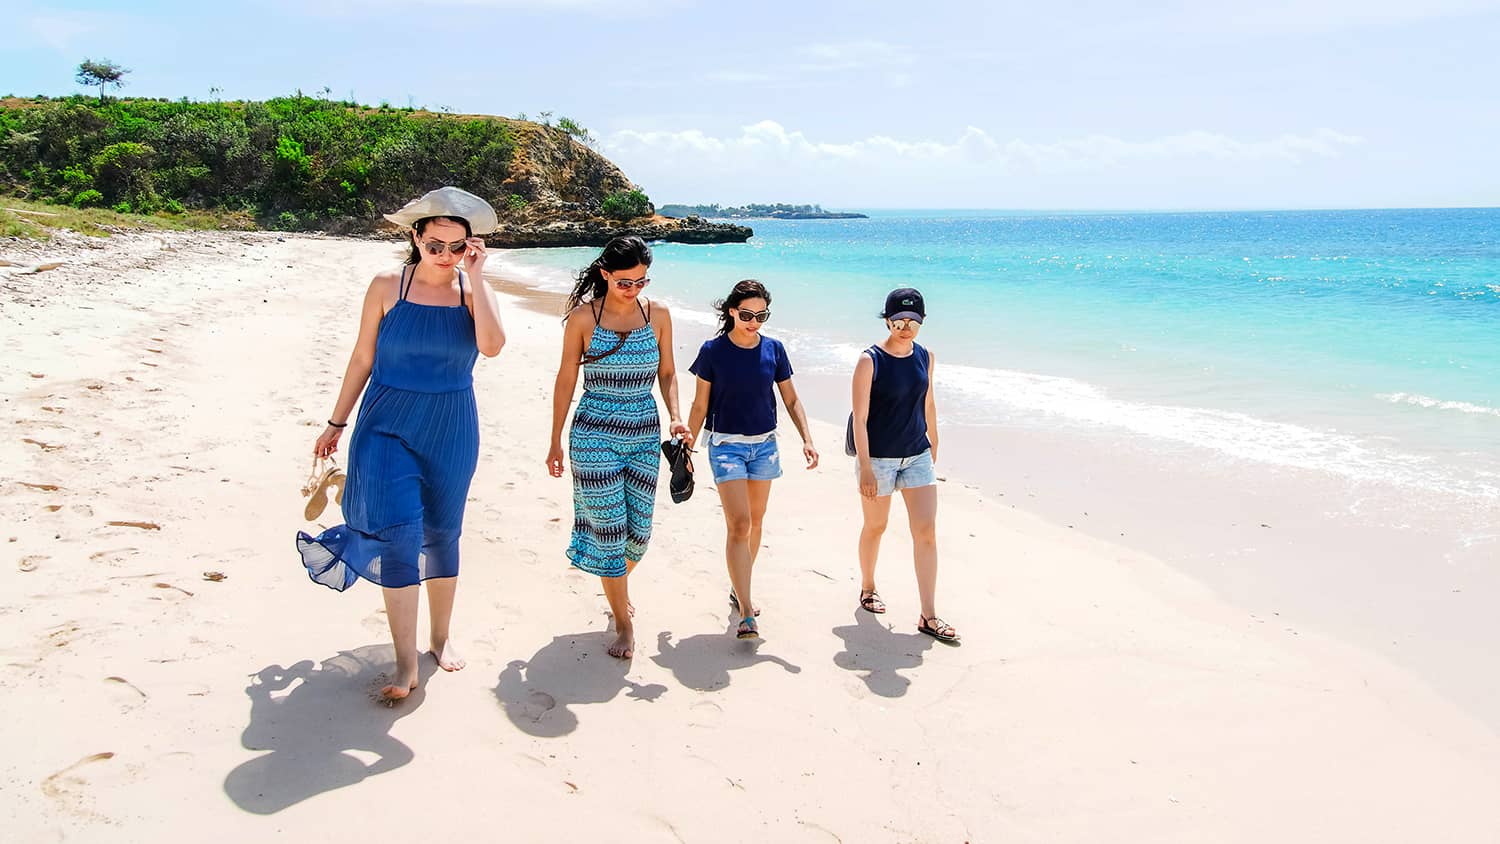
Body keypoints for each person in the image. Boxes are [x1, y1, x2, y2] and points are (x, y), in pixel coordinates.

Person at [296, 186, 506, 700]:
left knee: (443, 533)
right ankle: (405, 663)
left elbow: (492, 347)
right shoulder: (387, 286)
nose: (445, 256)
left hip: (451, 427)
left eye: (457, 247)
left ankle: (441, 637)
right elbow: (362, 358)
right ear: (415, 238)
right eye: (435, 246)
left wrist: (477, 277)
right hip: (385, 424)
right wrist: (335, 422)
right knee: (398, 535)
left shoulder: (472, 291)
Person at [546, 235, 689, 659]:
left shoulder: (657, 314)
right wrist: (555, 440)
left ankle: (616, 587)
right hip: (593, 435)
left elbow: (668, 372)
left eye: (641, 281)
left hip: (644, 433)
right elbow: (566, 379)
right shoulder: (583, 319)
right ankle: (623, 622)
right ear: (605, 274)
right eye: (625, 282)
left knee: (638, 536)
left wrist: (676, 415)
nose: (634, 289)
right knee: (610, 532)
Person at [686, 280, 818, 640]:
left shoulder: (774, 349)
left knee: (756, 522)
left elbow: (791, 399)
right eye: (746, 315)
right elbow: (699, 405)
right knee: (740, 524)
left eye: (761, 316)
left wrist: (807, 438)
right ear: (732, 311)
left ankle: (738, 586)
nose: (754, 322)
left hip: (765, 447)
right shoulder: (712, 351)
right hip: (725, 446)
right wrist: (687, 449)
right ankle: (746, 610)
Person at [848, 287, 959, 643]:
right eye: (899, 320)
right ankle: (868, 586)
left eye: (913, 320)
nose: (906, 327)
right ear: (887, 320)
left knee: (926, 532)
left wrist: (934, 441)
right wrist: (865, 466)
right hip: (878, 458)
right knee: (876, 526)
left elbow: (928, 402)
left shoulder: (925, 356)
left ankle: (928, 614)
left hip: (917, 455)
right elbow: (860, 418)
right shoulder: (870, 360)